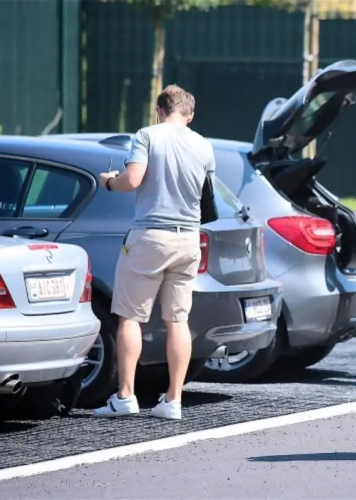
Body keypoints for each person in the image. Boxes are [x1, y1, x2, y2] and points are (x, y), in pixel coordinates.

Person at [94, 85, 215, 420]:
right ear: (189, 115)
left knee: (130, 317)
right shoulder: (204, 145)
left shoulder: (147, 135)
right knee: (178, 319)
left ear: (159, 111)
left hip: (150, 235)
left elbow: (132, 180)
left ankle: (126, 396)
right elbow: (208, 197)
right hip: (189, 238)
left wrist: (108, 181)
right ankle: (173, 401)